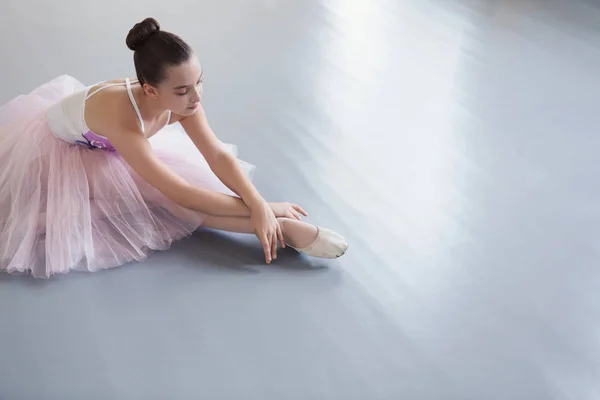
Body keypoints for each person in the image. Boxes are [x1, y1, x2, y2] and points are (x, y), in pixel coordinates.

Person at [0, 17, 348, 279]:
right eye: (182, 91)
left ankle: (277, 226)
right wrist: (268, 210)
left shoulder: (186, 102)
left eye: (199, 82)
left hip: (112, 147)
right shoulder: (121, 117)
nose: (196, 97)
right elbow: (179, 192)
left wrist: (257, 202)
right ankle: (283, 229)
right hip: (64, 152)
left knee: (191, 192)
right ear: (151, 91)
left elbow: (217, 155)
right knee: (163, 202)